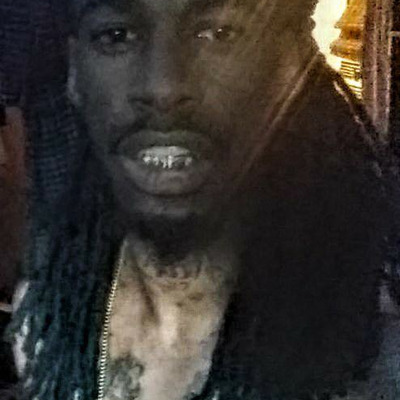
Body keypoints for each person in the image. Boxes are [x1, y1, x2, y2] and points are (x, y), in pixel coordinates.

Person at [8, 0, 400, 399]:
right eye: (117, 35)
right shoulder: (47, 320)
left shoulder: (375, 343)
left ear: (290, 66)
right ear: (75, 73)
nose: (163, 90)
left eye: (219, 34)